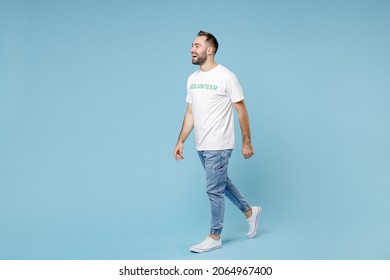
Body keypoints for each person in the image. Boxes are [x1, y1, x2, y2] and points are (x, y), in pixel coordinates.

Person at [173, 30, 261, 253]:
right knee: (222, 183)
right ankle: (251, 212)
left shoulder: (226, 76)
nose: (192, 49)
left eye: (197, 46)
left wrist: (247, 142)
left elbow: (241, 109)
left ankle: (215, 236)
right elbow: (190, 112)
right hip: (201, 145)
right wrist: (181, 140)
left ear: (209, 50)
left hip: (219, 144)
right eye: (192, 45)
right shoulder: (192, 79)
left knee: (213, 190)